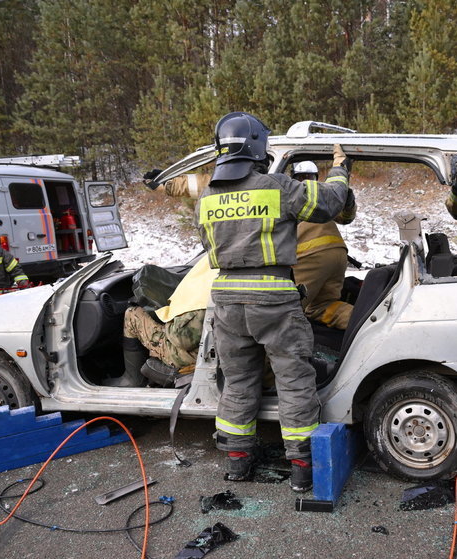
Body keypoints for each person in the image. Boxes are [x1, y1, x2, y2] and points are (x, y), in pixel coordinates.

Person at [195, 112, 353, 492]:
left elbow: (209, 247)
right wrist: (341, 171)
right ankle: (301, 467)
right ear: (256, 147)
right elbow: (329, 203)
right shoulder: (277, 186)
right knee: (295, 380)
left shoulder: (206, 198)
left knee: (238, 381)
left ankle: (237, 461)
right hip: (273, 299)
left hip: (227, 301)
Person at [107, 257, 218, 387]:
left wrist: (166, 321)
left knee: (133, 314)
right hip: (214, 350)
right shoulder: (225, 271)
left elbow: (182, 339)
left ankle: (132, 380)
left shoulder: (209, 274)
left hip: (195, 357)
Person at [292, 161, 357, 330]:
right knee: (320, 306)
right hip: (337, 254)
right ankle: (367, 325)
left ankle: (280, 355)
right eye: (302, 177)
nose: (305, 181)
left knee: (286, 309)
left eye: (308, 177)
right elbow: (345, 217)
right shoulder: (322, 194)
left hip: (311, 257)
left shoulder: (290, 194)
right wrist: (348, 202)